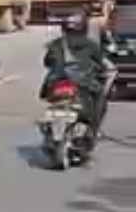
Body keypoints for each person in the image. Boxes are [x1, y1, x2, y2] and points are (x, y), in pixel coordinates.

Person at [42, 10, 112, 140]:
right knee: (100, 98)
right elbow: (102, 65)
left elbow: (46, 62)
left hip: (55, 83)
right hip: (83, 84)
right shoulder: (91, 45)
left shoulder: (56, 44)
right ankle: (93, 131)